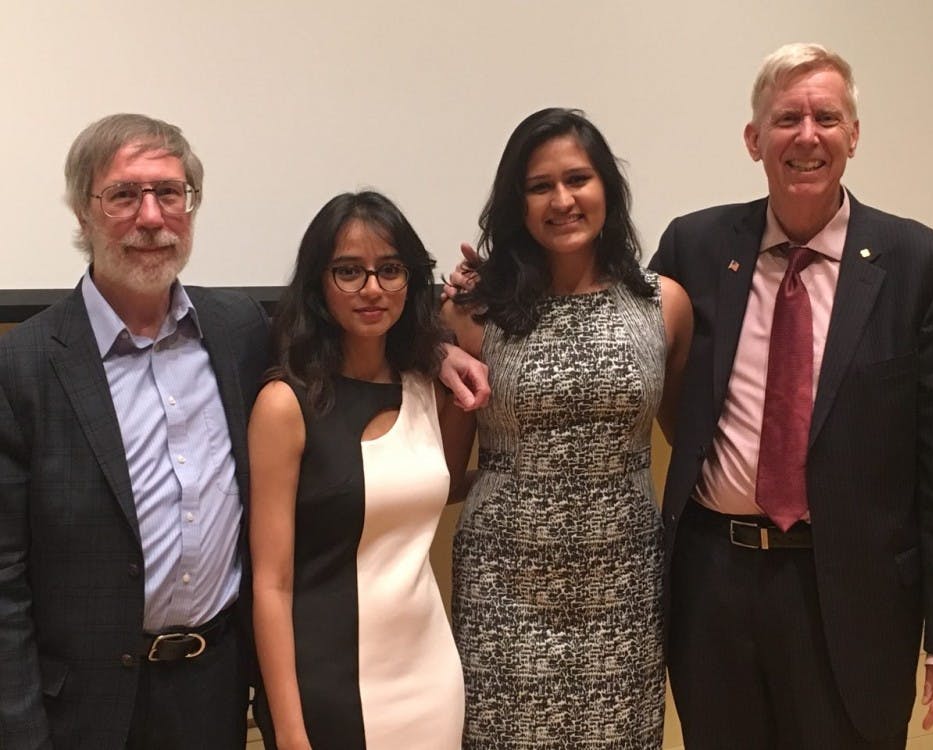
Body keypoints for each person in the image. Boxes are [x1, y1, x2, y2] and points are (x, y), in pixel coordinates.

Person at [648, 43, 933, 749]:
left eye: (826, 117)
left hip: (853, 591)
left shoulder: (927, 270)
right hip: (714, 581)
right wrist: (487, 303)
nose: (807, 136)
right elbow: (608, 326)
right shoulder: (696, 245)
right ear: (754, 140)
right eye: (786, 119)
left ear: (853, 137)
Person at [0, 114, 270, 749]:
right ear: (82, 212)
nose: (152, 218)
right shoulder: (25, 363)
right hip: (80, 712)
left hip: (214, 690)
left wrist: (440, 347)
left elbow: (344, 360)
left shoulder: (240, 331)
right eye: (124, 195)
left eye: (169, 193)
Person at [442, 107, 692, 749]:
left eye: (578, 179)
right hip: (507, 582)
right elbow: (445, 470)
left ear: (607, 186)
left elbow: (691, 446)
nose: (562, 200)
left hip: (625, 584)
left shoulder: (663, 303)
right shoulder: (475, 311)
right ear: (515, 203)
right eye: (538, 186)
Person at [249, 191, 475, 750]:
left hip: (430, 676)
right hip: (328, 685)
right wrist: (291, 730)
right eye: (348, 271)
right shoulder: (286, 404)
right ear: (318, 285)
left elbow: (438, 485)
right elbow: (271, 584)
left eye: (390, 270)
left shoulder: (427, 386)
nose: (372, 289)